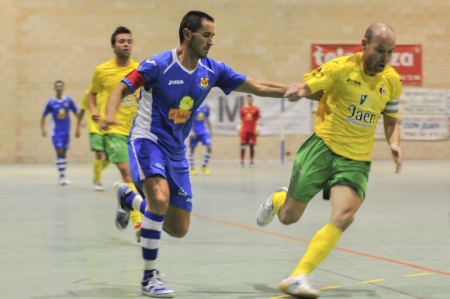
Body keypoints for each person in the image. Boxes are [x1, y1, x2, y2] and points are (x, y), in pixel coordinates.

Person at [104, 10, 290, 298]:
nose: (211, 41)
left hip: (177, 151)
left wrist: (298, 90)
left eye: (213, 36)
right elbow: (121, 88)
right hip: (148, 139)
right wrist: (109, 115)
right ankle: (148, 278)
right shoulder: (158, 64)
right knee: (161, 198)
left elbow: (260, 86)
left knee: (178, 228)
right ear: (188, 34)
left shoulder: (212, 70)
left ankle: (129, 198)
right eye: (207, 35)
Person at [256, 23, 403, 298]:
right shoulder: (340, 67)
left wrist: (394, 142)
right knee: (288, 217)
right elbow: (310, 85)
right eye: (380, 50)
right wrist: (300, 90)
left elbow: (392, 119)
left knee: (345, 216)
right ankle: (279, 199)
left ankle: (298, 276)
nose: (385, 57)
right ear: (364, 44)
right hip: (322, 149)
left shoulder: (392, 80)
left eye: (390, 52)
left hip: (356, 159)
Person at [88, 26, 142, 241]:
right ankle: (139, 223)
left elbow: (149, 91)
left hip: (138, 131)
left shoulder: (140, 68)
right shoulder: (102, 71)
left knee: (139, 179)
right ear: (113, 46)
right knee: (127, 174)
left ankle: (124, 200)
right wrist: (95, 112)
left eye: (129, 41)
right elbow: (92, 94)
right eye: (121, 41)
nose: (126, 44)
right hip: (114, 130)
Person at [40, 80, 78, 185]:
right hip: (55, 131)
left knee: (64, 153)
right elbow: (43, 116)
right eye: (57, 86)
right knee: (59, 151)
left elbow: (76, 112)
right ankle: (62, 176)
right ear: (54, 88)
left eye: (60, 86)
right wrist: (43, 129)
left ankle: (63, 173)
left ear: (64, 87)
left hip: (66, 131)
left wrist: (80, 123)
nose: (59, 88)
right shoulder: (51, 102)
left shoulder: (68, 101)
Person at [75, 89, 109, 191]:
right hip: (94, 128)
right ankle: (97, 181)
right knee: (98, 154)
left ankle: (96, 172)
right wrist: (77, 127)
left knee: (109, 157)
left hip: (107, 127)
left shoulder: (107, 92)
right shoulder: (88, 93)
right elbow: (82, 111)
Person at [188, 103, 212, 175]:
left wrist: (210, 130)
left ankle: (204, 166)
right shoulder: (193, 106)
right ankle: (192, 168)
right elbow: (189, 120)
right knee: (192, 149)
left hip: (203, 132)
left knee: (209, 147)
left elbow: (207, 119)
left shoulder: (206, 107)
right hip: (194, 132)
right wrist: (191, 131)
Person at [239, 94, 260, 167]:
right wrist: (239, 128)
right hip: (244, 130)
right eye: (248, 99)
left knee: (251, 146)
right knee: (243, 146)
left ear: (252, 100)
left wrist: (257, 128)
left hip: (252, 130)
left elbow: (257, 120)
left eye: (250, 99)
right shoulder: (243, 109)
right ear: (247, 100)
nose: (249, 100)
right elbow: (241, 119)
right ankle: (241, 162)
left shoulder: (256, 109)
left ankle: (251, 162)